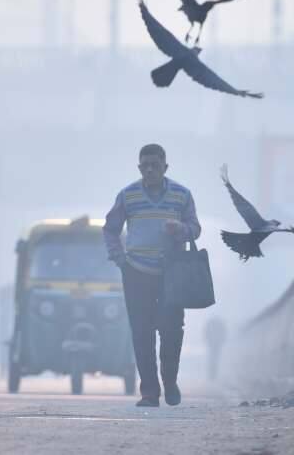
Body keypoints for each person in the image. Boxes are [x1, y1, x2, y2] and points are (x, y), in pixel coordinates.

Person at [103, 144, 201, 407]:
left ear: (165, 167)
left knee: (171, 331)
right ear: (139, 167)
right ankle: (149, 392)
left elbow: (195, 228)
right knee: (141, 332)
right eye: (144, 165)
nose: (149, 169)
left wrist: (180, 228)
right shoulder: (128, 195)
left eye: (154, 165)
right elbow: (110, 229)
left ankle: (169, 382)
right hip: (136, 272)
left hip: (172, 274)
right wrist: (119, 258)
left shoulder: (182, 195)